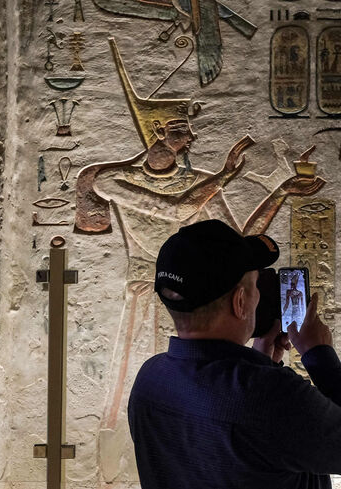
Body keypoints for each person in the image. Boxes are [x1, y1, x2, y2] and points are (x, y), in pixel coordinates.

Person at [75, 38, 324, 480]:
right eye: (177, 130)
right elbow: (173, 211)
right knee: (132, 398)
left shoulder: (200, 183)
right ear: (155, 133)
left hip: (200, 304)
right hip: (148, 291)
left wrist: (281, 191)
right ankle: (107, 469)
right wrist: (226, 175)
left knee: (211, 404)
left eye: (187, 132)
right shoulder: (113, 178)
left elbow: (240, 239)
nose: (188, 138)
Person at [128, 219, 341, 489]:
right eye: (255, 286)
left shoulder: (150, 378)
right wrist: (320, 355)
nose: (259, 296)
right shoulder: (270, 394)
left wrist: (257, 363)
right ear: (240, 302)